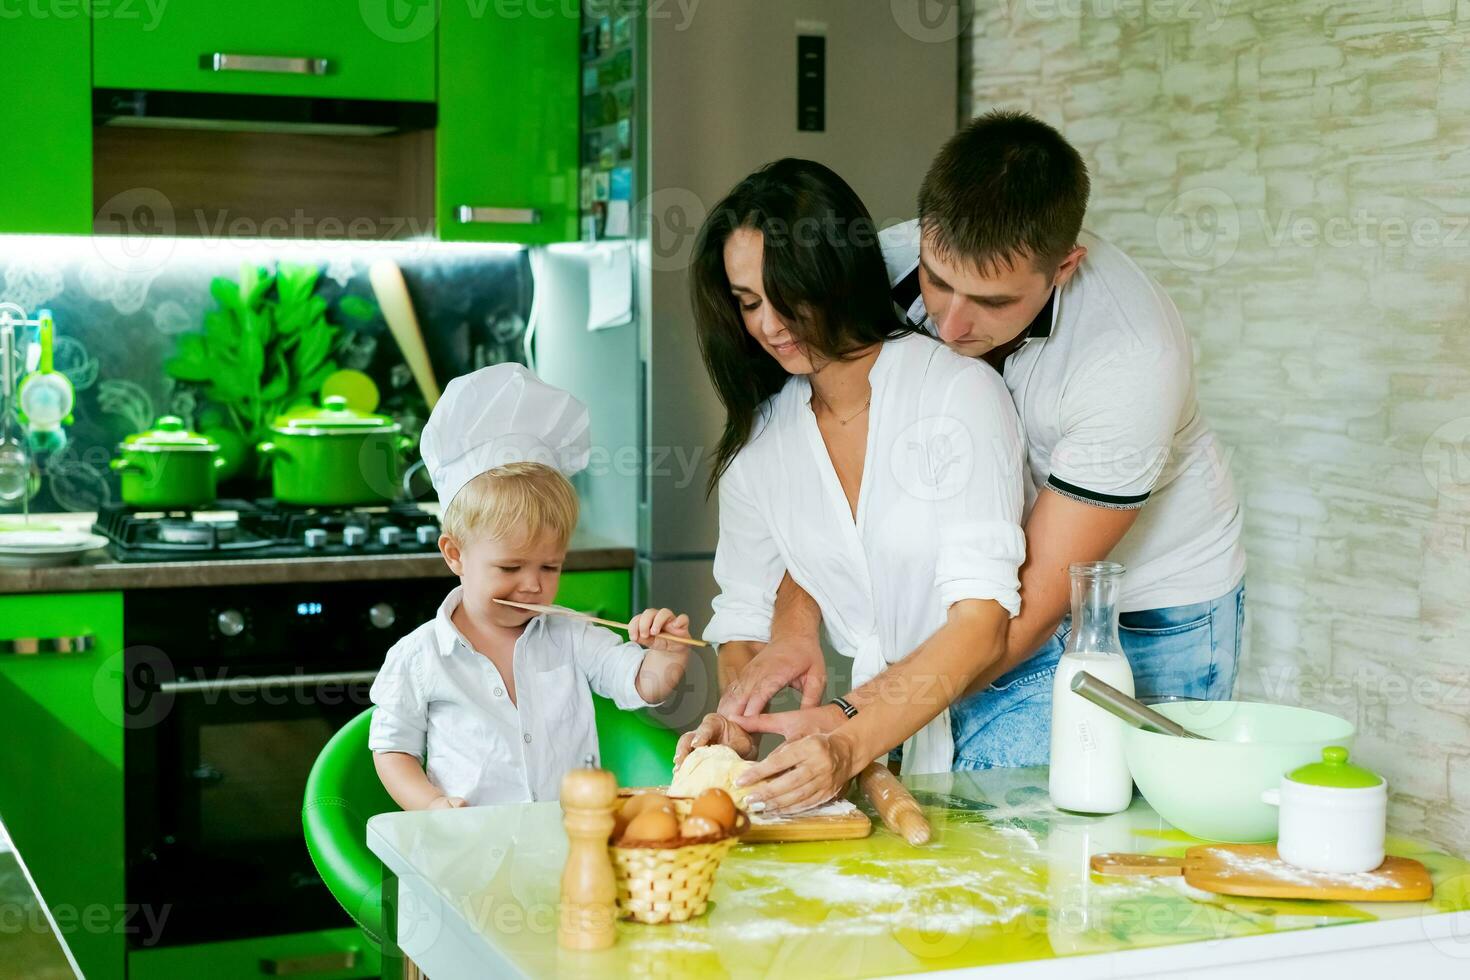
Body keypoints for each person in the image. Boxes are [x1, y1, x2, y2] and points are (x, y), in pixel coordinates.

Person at [715, 110, 1246, 770]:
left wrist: (855, 717)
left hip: (1148, 599)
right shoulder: (886, 262)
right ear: (924, 233)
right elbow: (830, 473)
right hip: (988, 592)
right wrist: (796, 627)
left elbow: (1019, 614)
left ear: (1065, 268)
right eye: (939, 282)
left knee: (1142, 816)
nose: (952, 324)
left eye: (992, 302)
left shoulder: (1132, 360)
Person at [687, 158, 1028, 814]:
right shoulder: (762, 439)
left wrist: (846, 743)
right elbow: (745, 614)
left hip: (1000, 713)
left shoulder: (956, 397)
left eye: (787, 296)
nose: (768, 325)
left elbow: (981, 625)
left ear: (838, 275)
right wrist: (738, 725)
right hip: (875, 736)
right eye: (749, 302)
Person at [369, 364, 693, 808]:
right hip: (470, 857)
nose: (532, 586)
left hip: (567, 849)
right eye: (509, 567)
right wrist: (429, 804)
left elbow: (641, 684)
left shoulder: (574, 636)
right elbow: (392, 749)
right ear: (455, 554)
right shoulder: (419, 657)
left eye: (550, 567)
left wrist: (665, 657)